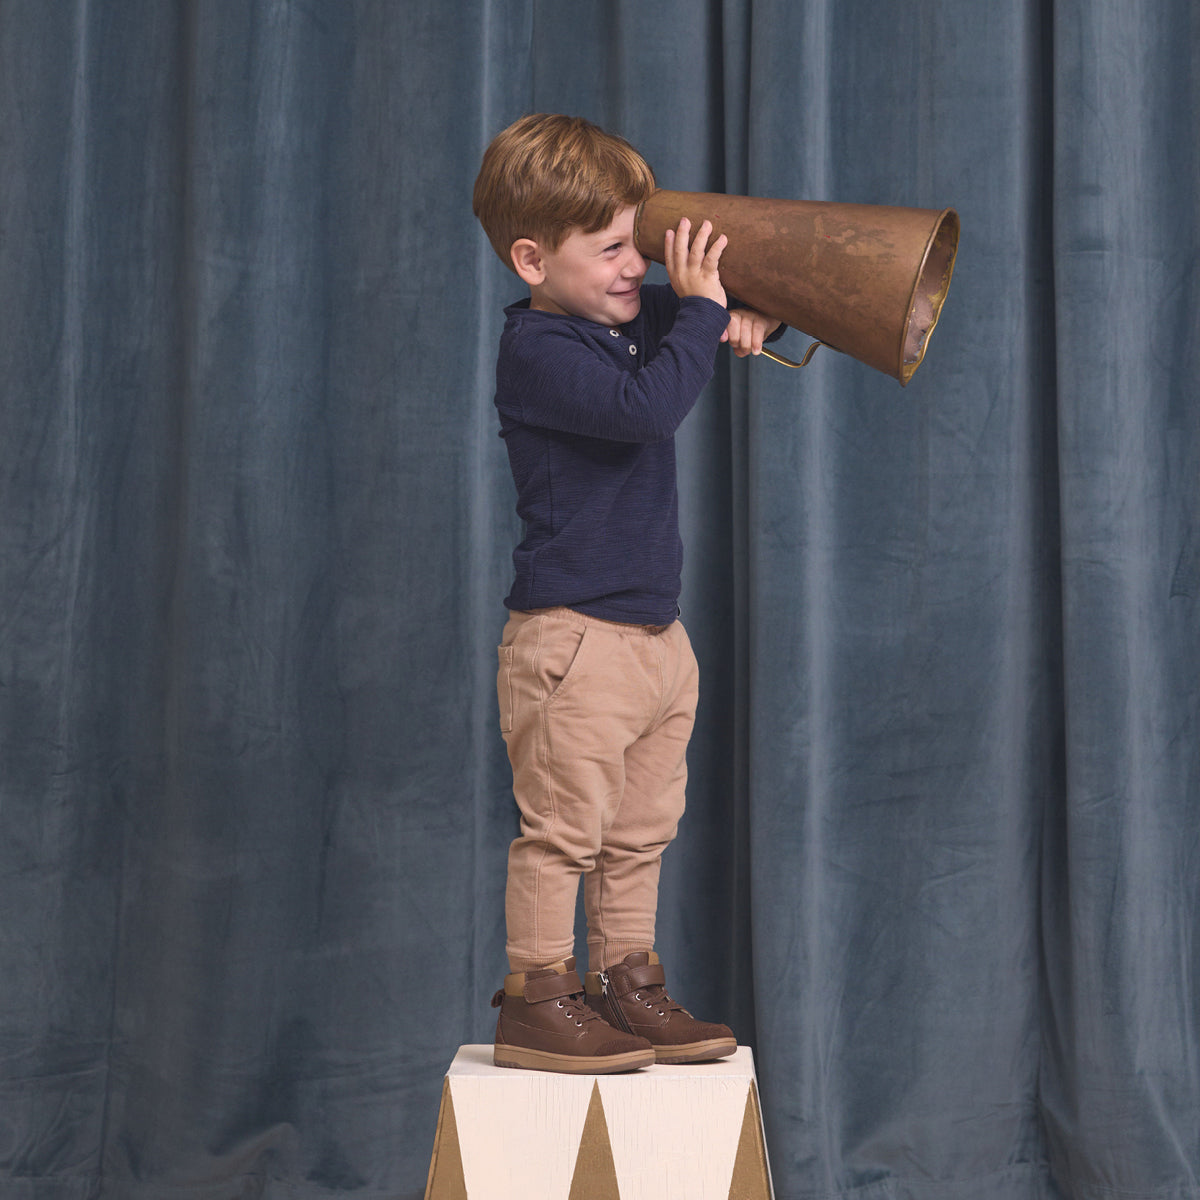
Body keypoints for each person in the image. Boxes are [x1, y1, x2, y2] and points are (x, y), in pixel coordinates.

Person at [472, 113, 781, 1074]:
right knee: (564, 834)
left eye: (638, 245)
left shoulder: (628, 319)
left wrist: (748, 315)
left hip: (655, 639)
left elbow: (715, 313)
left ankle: (626, 987)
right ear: (532, 259)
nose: (635, 268)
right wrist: (701, 315)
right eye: (610, 249)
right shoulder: (538, 350)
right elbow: (646, 410)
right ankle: (538, 998)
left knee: (640, 833)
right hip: (574, 640)